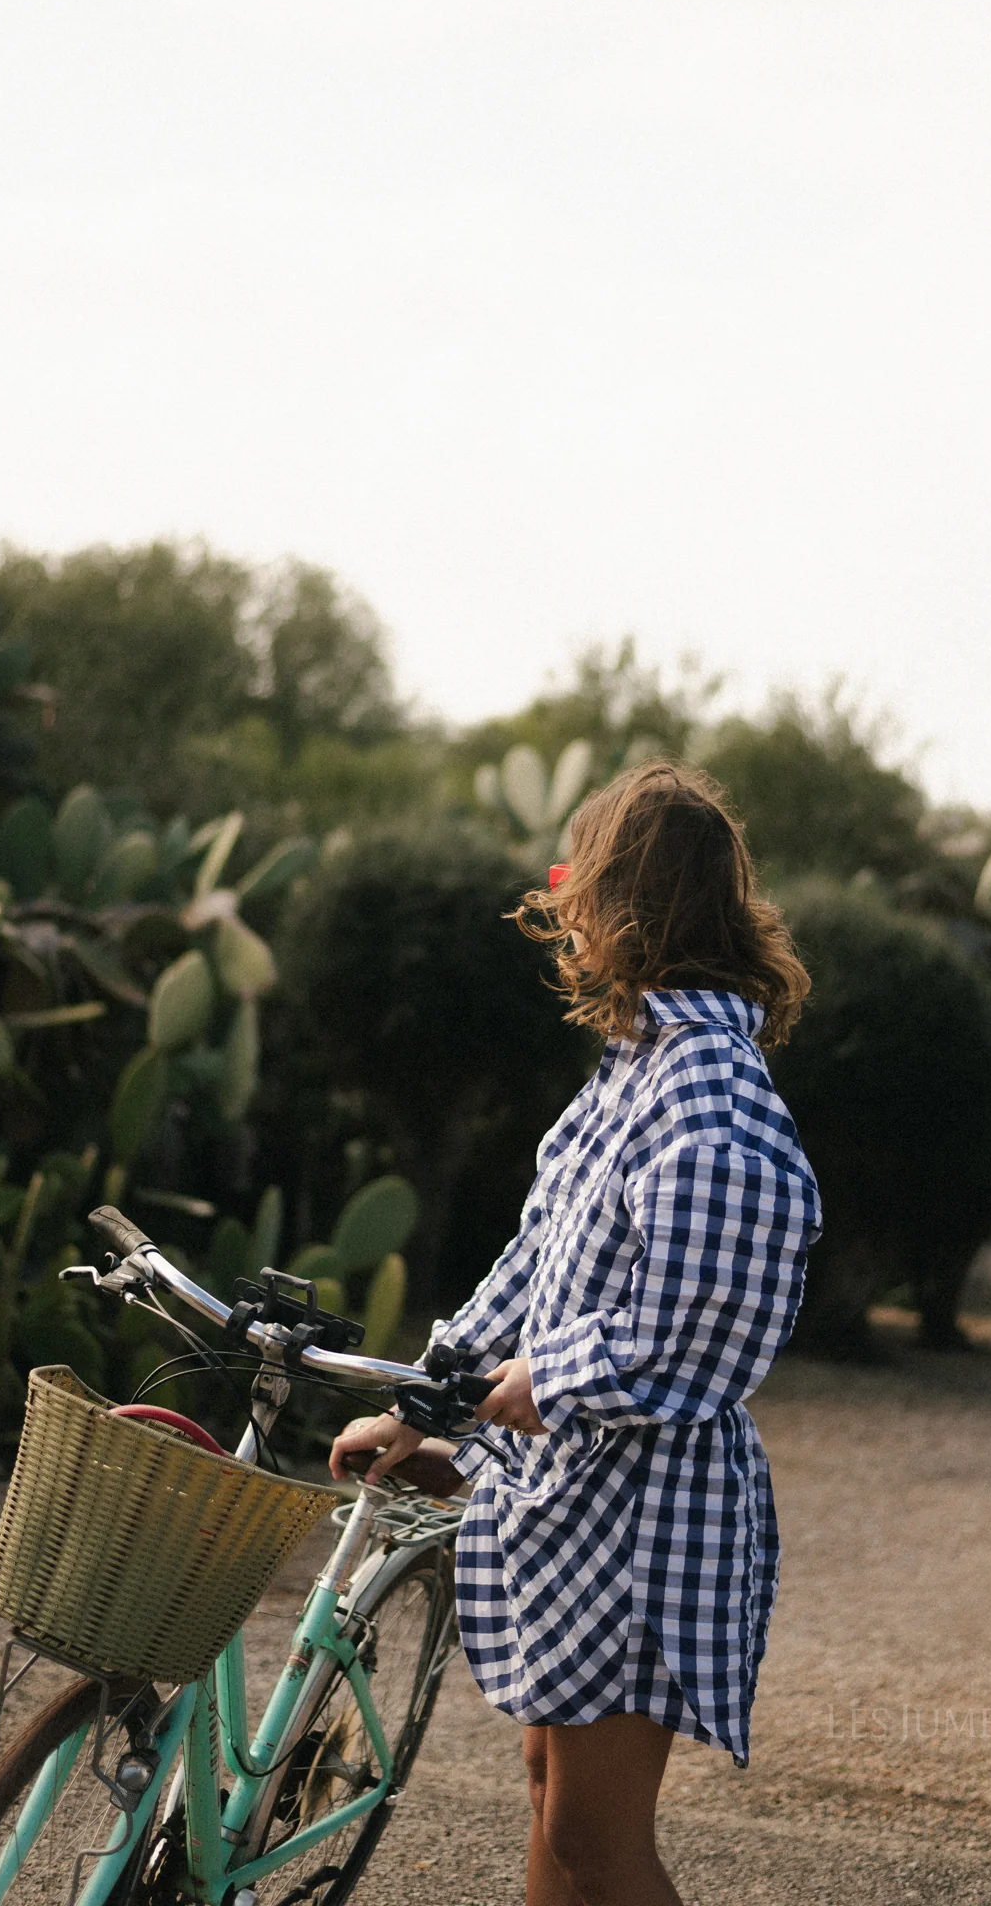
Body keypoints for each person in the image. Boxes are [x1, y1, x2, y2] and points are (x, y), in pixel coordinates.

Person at [330, 760, 821, 1906]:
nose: (567, 916)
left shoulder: (709, 1098)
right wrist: (424, 1402)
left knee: (598, 1838)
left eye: (574, 887)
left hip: (652, 1519)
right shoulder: (636, 1070)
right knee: (554, 1792)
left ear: (615, 902)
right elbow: (534, 1269)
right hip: (585, 1496)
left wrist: (539, 1377)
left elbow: (695, 1328)